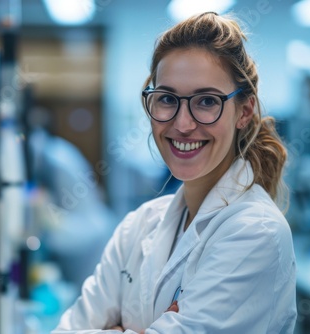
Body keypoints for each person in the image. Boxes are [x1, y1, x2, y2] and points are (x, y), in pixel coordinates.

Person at [52, 12, 297, 334]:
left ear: (244, 111)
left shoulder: (255, 233)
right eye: (167, 99)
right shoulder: (137, 226)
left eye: (207, 101)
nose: (183, 124)